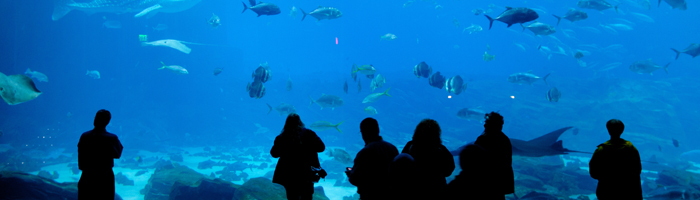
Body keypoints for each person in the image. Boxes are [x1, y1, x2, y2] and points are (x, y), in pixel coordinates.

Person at [271, 113, 325, 200]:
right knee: (307, 196)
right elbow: (321, 148)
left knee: (292, 196)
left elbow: (274, 154)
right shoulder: (309, 134)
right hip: (307, 173)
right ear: (300, 122)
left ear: (286, 124)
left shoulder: (282, 137)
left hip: (288, 174)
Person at [346, 118, 399, 200]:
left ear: (363, 133)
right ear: (378, 130)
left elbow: (355, 179)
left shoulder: (365, 152)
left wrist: (350, 173)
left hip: (370, 196)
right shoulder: (392, 148)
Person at [401, 119, 455, 199]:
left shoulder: (410, 146)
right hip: (437, 191)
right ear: (437, 133)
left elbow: (401, 166)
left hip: (412, 190)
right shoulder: (441, 149)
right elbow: (449, 170)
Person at [589, 119, 642, 200]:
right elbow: (637, 170)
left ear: (608, 130)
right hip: (629, 191)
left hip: (607, 191)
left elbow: (593, 172)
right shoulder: (631, 149)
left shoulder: (601, 150)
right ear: (622, 130)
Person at [77, 109, 123, 199]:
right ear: (108, 121)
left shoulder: (85, 136)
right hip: (105, 177)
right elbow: (117, 154)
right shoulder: (112, 138)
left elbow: (81, 157)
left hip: (87, 176)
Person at [474, 111, 514, 198]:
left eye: (487, 123)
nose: (484, 125)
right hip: (499, 184)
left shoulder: (483, 139)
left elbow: (474, 159)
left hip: (484, 182)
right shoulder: (505, 140)